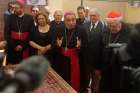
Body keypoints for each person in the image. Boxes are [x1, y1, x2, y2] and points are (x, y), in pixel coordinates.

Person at [52, 11, 88, 92]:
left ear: (76, 20)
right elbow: (53, 44)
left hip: (76, 60)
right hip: (61, 61)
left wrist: (80, 47)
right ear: (64, 21)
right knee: (63, 80)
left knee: (76, 80)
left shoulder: (81, 30)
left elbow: (86, 47)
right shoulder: (59, 29)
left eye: (73, 20)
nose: (71, 22)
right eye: (68, 20)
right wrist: (57, 45)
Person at [100, 11, 131, 93]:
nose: (111, 28)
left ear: (119, 22)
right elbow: (101, 46)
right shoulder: (105, 30)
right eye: (109, 26)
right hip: (106, 67)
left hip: (120, 69)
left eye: (114, 26)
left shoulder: (129, 32)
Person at [84, 8, 105, 93]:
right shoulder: (85, 25)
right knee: (85, 80)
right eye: (91, 15)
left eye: (94, 15)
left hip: (97, 61)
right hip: (85, 60)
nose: (92, 17)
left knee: (96, 84)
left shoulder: (104, 27)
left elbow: (103, 47)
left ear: (99, 16)